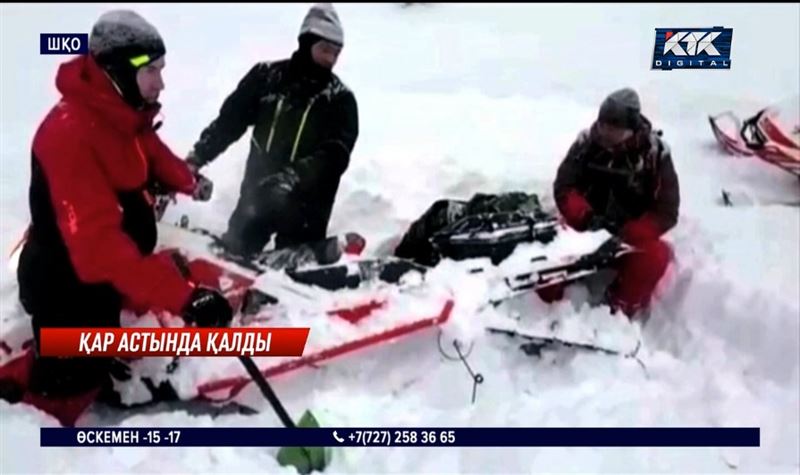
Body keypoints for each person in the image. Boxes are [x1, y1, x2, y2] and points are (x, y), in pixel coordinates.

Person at [2, 10, 233, 426]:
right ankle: (19, 395)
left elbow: (150, 149)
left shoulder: (120, 110)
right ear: (116, 70)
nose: (161, 82)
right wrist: (184, 299)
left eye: (162, 69)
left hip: (102, 276)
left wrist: (187, 181)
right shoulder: (70, 135)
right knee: (71, 387)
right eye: (151, 70)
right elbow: (98, 250)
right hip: (69, 284)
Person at [186, 3, 359, 258]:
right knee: (232, 259)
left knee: (289, 283)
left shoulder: (340, 100)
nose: (330, 59)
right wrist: (199, 156)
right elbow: (230, 122)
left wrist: (294, 177)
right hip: (258, 196)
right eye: (324, 50)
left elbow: (336, 155)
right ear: (305, 42)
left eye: (336, 53)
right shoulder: (266, 78)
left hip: (307, 208)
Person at [553, 88, 680, 318]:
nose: (605, 132)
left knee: (655, 256)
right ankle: (549, 311)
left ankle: (618, 311)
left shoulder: (655, 154)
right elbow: (564, 187)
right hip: (583, 228)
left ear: (631, 130)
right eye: (603, 125)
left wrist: (628, 232)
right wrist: (586, 217)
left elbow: (666, 210)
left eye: (614, 128)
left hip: (628, 237)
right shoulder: (586, 144)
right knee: (549, 249)